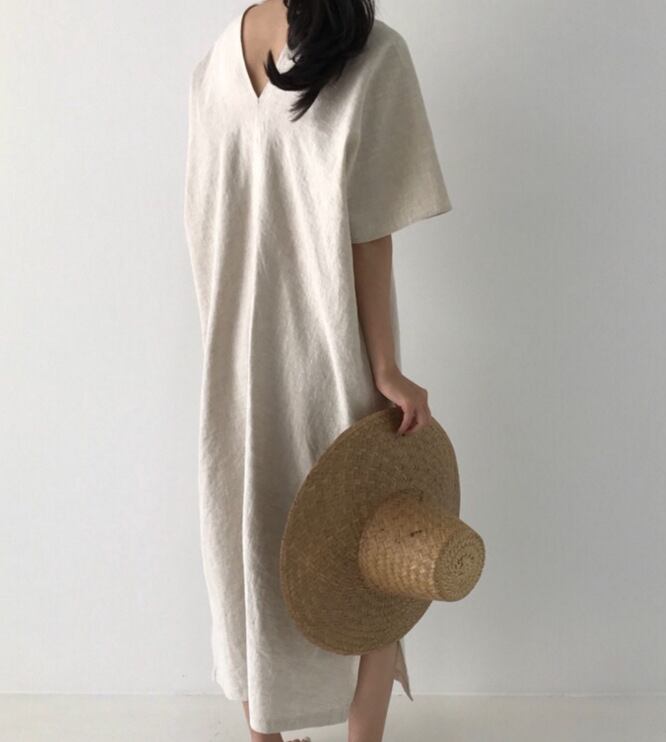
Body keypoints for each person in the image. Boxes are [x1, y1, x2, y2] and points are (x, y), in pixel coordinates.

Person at [183, 1, 452, 740]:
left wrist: (384, 366)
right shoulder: (214, 64)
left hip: (312, 346)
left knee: (353, 544)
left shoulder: (371, 55)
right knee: (263, 538)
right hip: (246, 353)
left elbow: (370, 228)